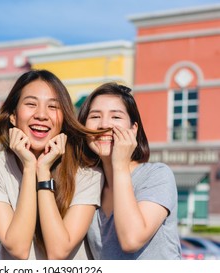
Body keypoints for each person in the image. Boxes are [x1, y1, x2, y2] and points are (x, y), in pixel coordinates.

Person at [0, 69, 104, 260]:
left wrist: (43, 172)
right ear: (13, 116)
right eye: (31, 104)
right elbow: (18, 248)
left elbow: (58, 252)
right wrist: (28, 168)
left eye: (53, 107)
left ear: (64, 119)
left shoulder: (87, 174)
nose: (41, 115)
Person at [77, 82, 181, 259]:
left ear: (133, 129)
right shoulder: (87, 183)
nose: (104, 124)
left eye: (116, 117)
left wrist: (119, 164)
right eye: (95, 116)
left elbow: (132, 239)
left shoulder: (157, 175)